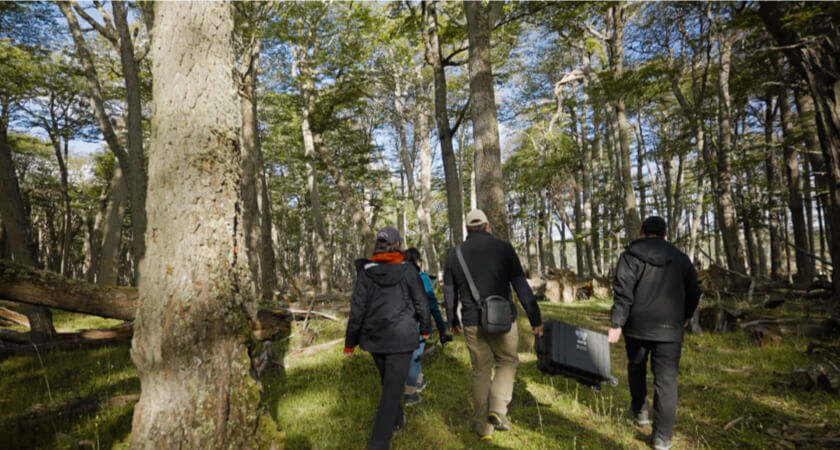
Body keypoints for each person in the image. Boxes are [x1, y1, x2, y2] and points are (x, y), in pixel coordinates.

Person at [443, 209, 543, 440]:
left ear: (467, 229)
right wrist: (536, 320)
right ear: (487, 226)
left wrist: (451, 320)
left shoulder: (454, 255)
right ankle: (497, 408)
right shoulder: (504, 249)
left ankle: (483, 428)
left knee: (480, 371)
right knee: (507, 360)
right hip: (504, 320)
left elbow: (450, 294)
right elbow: (521, 287)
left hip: (471, 321)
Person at [607, 216, 701, 450]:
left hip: (637, 327)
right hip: (670, 329)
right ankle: (662, 437)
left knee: (636, 367)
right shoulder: (680, 258)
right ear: (665, 234)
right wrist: (686, 315)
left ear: (641, 231)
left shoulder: (629, 256)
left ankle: (640, 412)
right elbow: (694, 290)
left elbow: (623, 293)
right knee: (666, 381)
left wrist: (617, 324)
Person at [344, 227, 432, 450]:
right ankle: (378, 444)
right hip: (401, 338)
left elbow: (357, 309)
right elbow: (422, 302)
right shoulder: (408, 270)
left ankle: (397, 419)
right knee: (391, 389)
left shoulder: (366, 271)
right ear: (397, 245)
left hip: (375, 338)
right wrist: (425, 328)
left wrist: (350, 342)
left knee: (390, 384)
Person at [402, 247, 452, 406]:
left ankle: (419, 380)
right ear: (418, 262)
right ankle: (410, 394)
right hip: (417, 324)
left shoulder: (396, 276)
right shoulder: (422, 277)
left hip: (397, 325)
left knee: (409, 357)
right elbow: (432, 304)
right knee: (414, 357)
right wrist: (442, 327)